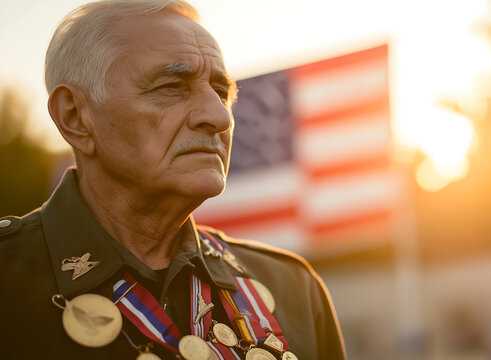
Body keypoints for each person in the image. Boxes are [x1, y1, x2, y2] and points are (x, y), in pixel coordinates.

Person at [0, 0, 346, 359]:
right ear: (75, 117)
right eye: (170, 86)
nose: (218, 116)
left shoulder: (293, 289)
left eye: (221, 92)